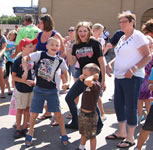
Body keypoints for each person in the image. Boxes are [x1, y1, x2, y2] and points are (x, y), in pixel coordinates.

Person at [105, 11, 151, 148]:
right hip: (119, 76)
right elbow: (120, 55)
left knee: (131, 106)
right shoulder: (123, 37)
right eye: (120, 22)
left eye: (124, 21)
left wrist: (133, 69)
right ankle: (121, 132)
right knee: (119, 104)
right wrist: (110, 63)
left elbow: (148, 56)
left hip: (133, 77)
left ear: (132, 22)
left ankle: (130, 137)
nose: (121, 24)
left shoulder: (138, 36)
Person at [22, 37, 69, 146]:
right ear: (47, 46)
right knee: (34, 113)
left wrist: (67, 82)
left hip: (52, 90)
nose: (54, 47)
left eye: (57, 45)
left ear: (59, 48)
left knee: (57, 113)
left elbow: (66, 71)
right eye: (52, 44)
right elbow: (24, 59)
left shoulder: (60, 60)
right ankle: (31, 132)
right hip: (39, 89)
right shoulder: (40, 54)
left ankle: (63, 132)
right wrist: (25, 71)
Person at [65, 21, 106, 131]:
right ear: (77, 32)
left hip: (95, 77)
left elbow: (102, 62)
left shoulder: (94, 43)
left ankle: (99, 124)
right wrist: (68, 51)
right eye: (80, 31)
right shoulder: (76, 45)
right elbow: (72, 62)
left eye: (85, 30)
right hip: (83, 76)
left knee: (91, 101)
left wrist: (103, 81)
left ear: (89, 32)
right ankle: (75, 121)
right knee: (69, 98)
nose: (82, 33)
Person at [35, 14, 66, 124]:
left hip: (54, 70)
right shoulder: (39, 34)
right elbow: (35, 49)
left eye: (41, 22)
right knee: (43, 91)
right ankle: (47, 112)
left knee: (54, 92)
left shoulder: (55, 34)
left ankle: (57, 117)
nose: (39, 24)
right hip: (40, 69)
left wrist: (56, 65)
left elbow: (62, 51)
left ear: (46, 23)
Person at [12, 38, 37, 139]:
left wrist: (35, 82)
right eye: (30, 46)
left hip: (31, 89)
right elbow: (14, 77)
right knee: (20, 109)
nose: (32, 48)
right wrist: (25, 81)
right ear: (23, 48)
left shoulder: (33, 60)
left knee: (27, 109)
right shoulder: (18, 61)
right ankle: (18, 129)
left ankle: (24, 127)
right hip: (21, 89)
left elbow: (36, 74)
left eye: (32, 46)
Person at [77, 63, 101, 150]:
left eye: (86, 75)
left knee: (92, 136)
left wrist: (94, 76)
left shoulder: (95, 84)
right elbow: (84, 79)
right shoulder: (88, 82)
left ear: (94, 76)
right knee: (83, 132)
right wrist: (84, 75)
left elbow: (87, 81)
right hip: (83, 113)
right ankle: (81, 147)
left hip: (91, 115)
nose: (83, 76)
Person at [137, 19, 153, 123]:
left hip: (148, 79)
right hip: (143, 79)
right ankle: (140, 115)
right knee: (141, 98)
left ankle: (147, 116)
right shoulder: (141, 55)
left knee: (147, 98)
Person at [4, 30, 17, 95]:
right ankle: (7, 86)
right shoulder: (6, 41)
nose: (12, 36)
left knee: (13, 73)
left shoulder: (15, 42)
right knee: (6, 73)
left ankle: (13, 86)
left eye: (14, 35)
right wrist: (9, 49)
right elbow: (4, 49)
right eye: (11, 35)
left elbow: (16, 50)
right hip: (6, 59)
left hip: (13, 59)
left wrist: (13, 51)